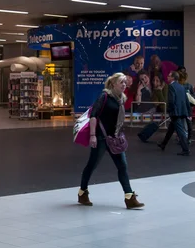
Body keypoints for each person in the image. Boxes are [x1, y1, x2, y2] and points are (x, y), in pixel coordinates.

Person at [78, 73, 144, 209]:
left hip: (115, 138)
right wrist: (92, 136)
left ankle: (129, 197)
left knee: (122, 166)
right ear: (113, 83)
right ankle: (82, 192)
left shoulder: (121, 98)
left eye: (125, 82)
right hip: (101, 137)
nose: (124, 85)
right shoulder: (105, 96)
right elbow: (94, 116)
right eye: (121, 82)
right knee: (92, 165)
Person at [158, 71, 192, 156]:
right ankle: (163, 144)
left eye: (169, 76)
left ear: (173, 78)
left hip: (175, 112)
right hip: (181, 111)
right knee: (171, 129)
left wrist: (170, 110)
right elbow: (186, 100)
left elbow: (171, 100)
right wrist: (188, 112)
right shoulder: (181, 87)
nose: (168, 77)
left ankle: (186, 149)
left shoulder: (171, 86)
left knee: (180, 132)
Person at [178, 69, 194, 143]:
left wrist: (189, 97)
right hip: (180, 108)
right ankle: (182, 138)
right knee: (181, 124)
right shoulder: (177, 86)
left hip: (188, 108)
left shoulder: (189, 86)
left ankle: (189, 138)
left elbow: (193, 96)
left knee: (189, 124)